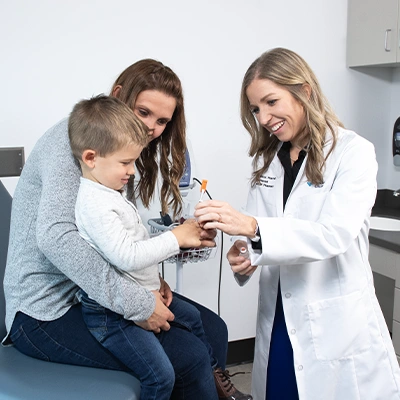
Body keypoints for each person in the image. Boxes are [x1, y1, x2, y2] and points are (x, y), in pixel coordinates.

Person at [3, 59, 251, 400]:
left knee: (213, 329)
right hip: (48, 311)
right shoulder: (72, 142)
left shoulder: (119, 147)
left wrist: (151, 280)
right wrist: (137, 302)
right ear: (119, 95)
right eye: (143, 112)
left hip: (94, 291)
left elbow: (111, 238)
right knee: (190, 358)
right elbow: (56, 238)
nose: (151, 128)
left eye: (162, 120)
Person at [194, 47, 400, 399]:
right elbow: (257, 236)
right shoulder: (268, 162)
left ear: (304, 91)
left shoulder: (352, 152)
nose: (264, 117)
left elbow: (334, 234)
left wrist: (252, 228)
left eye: (272, 102)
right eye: (256, 109)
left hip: (334, 320)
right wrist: (243, 257)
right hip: (278, 319)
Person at [69, 95, 252, 400]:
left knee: (193, 318)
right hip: (111, 313)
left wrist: (157, 277)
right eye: (125, 163)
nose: (131, 171)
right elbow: (126, 256)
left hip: (142, 290)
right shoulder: (94, 204)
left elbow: (133, 245)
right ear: (91, 158)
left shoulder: (109, 191)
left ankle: (216, 385)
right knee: (159, 375)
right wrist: (176, 239)